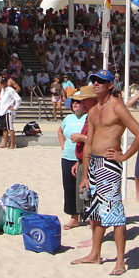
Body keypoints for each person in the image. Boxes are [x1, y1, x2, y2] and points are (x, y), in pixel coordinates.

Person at [72, 69, 139, 276]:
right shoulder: (94, 111)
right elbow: (89, 144)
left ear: (110, 85)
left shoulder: (117, 108)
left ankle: (120, 260)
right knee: (95, 213)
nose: (96, 83)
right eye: (94, 80)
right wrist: (85, 173)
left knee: (114, 214)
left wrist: (124, 156)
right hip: (94, 164)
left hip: (109, 164)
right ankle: (95, 254)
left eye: (101, 81)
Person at [57, 87, 94, 230]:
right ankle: (74, 217)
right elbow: (60, 131)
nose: (75, 104)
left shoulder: (88, 117)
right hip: (67, 157)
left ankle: (90, 217)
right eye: (73, 102)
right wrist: (63, 145)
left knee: (85, 189)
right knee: (69, 188)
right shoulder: (68, 118)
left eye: (78, 102)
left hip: (84, 158)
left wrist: (82, 139)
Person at [0, 75, 21, 149]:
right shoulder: (2, 90)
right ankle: (5, 143)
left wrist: (14, 107)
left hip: (8, 111)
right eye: (1, 83)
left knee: (10, 128)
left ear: (6, 83)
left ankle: (12, 144)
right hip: (2, 111)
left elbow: (18, 99)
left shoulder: (10, 90)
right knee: (4, 128)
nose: (1, 84)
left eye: (3, 83)